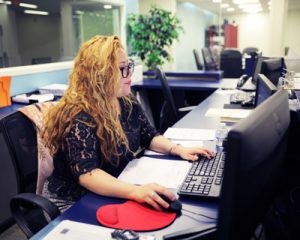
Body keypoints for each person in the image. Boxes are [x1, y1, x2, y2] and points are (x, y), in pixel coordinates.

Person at [41, 35, 214, 212]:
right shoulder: (78, 114)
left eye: (128, 66)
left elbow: (149, 136)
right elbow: (87, 175)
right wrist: (135, 191)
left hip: (114, 185)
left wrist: (178, 149)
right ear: (100, 75)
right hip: (74, 200)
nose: (129, 73)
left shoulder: (125, 100)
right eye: (122, 68)